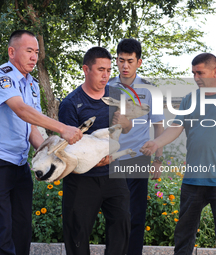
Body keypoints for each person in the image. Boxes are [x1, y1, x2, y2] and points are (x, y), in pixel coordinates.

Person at [0, 30, 82, 255]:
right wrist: (62, 129)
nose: (34, 57)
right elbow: (22, 110)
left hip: (19, 164)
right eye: (29, 51)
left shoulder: (32, 84)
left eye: (36, 52)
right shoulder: (0, 76)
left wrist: (50, 156)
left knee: (22, 228)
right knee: (1, 228)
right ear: (12, 52)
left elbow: (32, 129)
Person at [141, 53, 216, 255]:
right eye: (193, 73)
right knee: (184, 235)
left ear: (215, 71)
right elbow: (176, 127)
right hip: (193, 179)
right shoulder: (189, 99)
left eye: (200, 72)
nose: (196, 77)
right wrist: (155, 142)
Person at [58, 46, 131, 255]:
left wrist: (126, 123)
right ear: (86, 69)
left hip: (113, 176)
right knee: (77, 234)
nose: (106, 75)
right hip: (82, 180)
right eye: (100, 70)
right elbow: (69, 148)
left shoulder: (116, 95)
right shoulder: (71, 104)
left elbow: (126, 128)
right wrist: (95, 160)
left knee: (122, 223)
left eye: (109, 70)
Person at [108, 38, 165, 255]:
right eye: (121, 60)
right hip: (111, 158)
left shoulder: (150, 90)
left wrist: (158, 160)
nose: (125, 65)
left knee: (136, 215)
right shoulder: (108, 86)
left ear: (139, 62)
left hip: (138, 158)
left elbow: (159, 127)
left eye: (130, 61)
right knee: (114, 215)